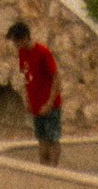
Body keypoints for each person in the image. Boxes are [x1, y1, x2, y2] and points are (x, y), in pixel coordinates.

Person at [9, 19, 64, 156]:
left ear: (25, 37)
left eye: (17, 41)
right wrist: (28, 100)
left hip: (49, 104)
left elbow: (56, 77)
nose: (16, 45)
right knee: (41, 139)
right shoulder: (22, 53)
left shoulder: (43, 52)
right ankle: (44, 169)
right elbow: (27, 77)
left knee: (52, 139)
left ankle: (53, 171)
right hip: (36, 104)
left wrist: (50, 103)